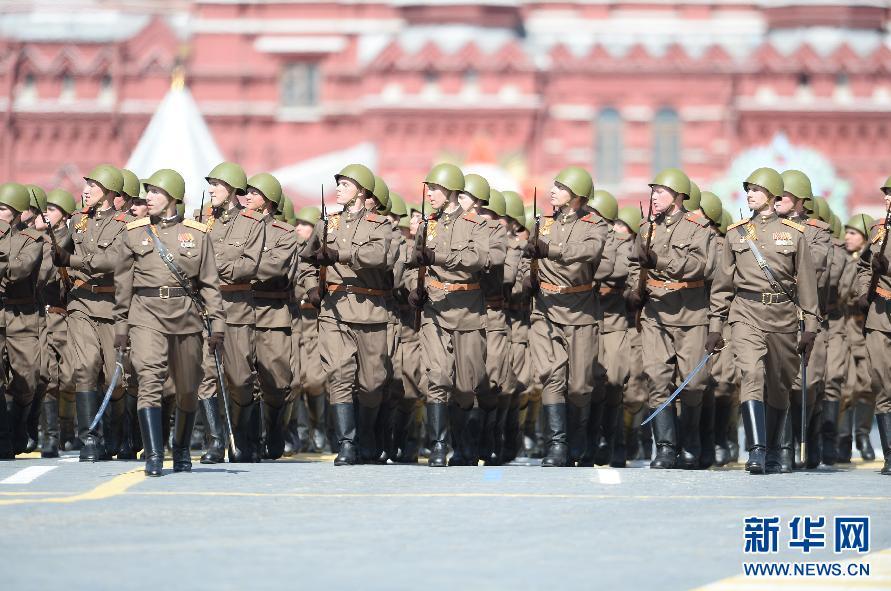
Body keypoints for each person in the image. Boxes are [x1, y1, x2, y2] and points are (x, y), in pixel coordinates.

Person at [112, 169, 225, 476]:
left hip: (187, 317)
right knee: (149, 379)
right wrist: (121, 325)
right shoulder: (134, 232)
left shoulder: (198, 234)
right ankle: (153, 454)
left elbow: (210, 285)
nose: (148, 197)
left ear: (173, 197)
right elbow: (123, 284)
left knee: (188, 388)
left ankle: (181, 448)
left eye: (155, 192)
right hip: (145, 314)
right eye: (147, 191)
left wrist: (218, 325)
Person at [708, 167, 819, 475]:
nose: (750, 194)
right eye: (748, 189)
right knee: (751, 374)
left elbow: (807, 287)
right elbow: (722, 285)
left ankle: (771, 450)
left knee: (780, 386)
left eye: (756, 189)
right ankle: (756, 450)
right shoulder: (736, 232)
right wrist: (715, 326)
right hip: (746, 314)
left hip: (783, 318)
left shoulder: (795, 236)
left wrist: (810, 327)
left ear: (772, 194)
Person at [304, 164, 392, 465]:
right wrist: (310, 287)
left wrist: (341, 255)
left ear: (362, 191)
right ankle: (347, 444)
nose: (339, 188)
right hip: (335, 310)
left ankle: (367, 437)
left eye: (345, 183)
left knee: (371, 383)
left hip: (371, 311)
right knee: (339, 375)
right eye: (338, 183)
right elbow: (305, 261)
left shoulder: (381, 226)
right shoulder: (326, 224)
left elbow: (379, 256)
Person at [627, 168, 713, 469]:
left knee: (692, 383)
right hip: (655, 315)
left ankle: (691, 443)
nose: (654, 197)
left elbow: (701, 266)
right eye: (652, 191)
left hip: (689, 313)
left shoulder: (699, 227)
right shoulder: (646, 228)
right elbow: (634, 264)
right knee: (656, 377)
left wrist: (661, 261)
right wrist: (633, 290)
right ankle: (664, 447)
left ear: (678, 196)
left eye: (660, 192)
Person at [526, 166, 608, 467]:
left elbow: (591, 251)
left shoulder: (594, 224)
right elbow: (530, 258)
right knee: (551, 375)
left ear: (576, 196)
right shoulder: (543, 223)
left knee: (580, 384)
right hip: (546, 307)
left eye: (560, 187)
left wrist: (553, 250)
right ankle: (556, 445)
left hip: (580, 308)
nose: (552, 191)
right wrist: (526, 277)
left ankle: (578, 441)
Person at [409, 163, 489, 467]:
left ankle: (466, 447)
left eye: (436, 190)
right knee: (437, 376)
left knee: (467, 385)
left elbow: (479, 258)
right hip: (435, 309)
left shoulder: (476, 224)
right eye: (429, 189)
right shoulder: (428, 224)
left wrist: (439, 257)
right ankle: (439, 445)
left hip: (467, 308)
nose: (430, 195)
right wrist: (412, 288)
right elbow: (415, 262)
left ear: (452, 192)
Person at [51, 164, 129, 462]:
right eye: (85, 187)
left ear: (109, 193)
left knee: (115, 376)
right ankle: (90, 439)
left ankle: (118, 435)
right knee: (85, 367)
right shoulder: (78, 223)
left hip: (112, 305)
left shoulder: (125, 224)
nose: (85, 192)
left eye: (92, 187)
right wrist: (57, 252)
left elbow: (114, 260)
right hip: (81, 303)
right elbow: (62, 256)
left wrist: (74, 258)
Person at [196, 161, 265, 463]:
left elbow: (249, 265)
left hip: (236, 307)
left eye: (217, 185)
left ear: (233, 190)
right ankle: (215, 441)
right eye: (210, 184)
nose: (211, 190)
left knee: (239, 378)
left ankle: (243, 439)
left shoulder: (252, 223)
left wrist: (212, 267)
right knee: (206, 376)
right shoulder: (200, 221)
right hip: (205, 310)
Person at [245, 173, 300, 459]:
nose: (247, 198)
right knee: (244, 378)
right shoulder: (237, 229)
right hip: (242, 309)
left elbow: (274, 268)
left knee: (277, 380)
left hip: (273, 313)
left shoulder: (284, 233)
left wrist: (238, 267)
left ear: (268, 201)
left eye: (254, 193)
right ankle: (250, 440)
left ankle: (276, 431)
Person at [0, 183, 44, 457]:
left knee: (28, 378)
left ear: (16, 213)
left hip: (22, 315)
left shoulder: (31, 239)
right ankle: (4, 439)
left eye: (3, 209)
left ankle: (18, 428)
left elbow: (21, 269)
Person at [35, 189, 78, 458]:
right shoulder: (32, 241)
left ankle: (68, 431)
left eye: (51, 209)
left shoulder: (71, 241)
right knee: (47, 376)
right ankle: (51, 436)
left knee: (72, 376)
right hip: (42, 316)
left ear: (63, 217)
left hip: (66, 315)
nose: (44, 213)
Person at [856, 176, 891, 476]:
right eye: (887, 195)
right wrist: (866, 288)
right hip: (880, 315)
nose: (888, 200)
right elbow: (862, 268)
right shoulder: (879, 231)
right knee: (881, 381)